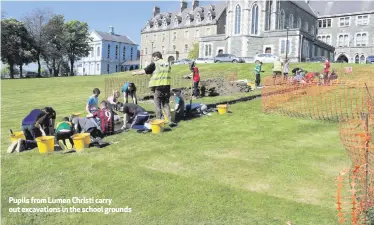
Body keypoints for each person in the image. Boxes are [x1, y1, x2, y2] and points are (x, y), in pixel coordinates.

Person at [132, 51, 175, 126]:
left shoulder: (155, 63)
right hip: (167, 86)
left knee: (157, 104)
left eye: (153, 58)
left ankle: (158, 121)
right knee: (165, 104)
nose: (153, 59)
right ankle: (170, 120)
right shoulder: (167, 63)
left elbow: (145, 71)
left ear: (156, 57)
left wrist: (135, 73)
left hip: (158, 86)